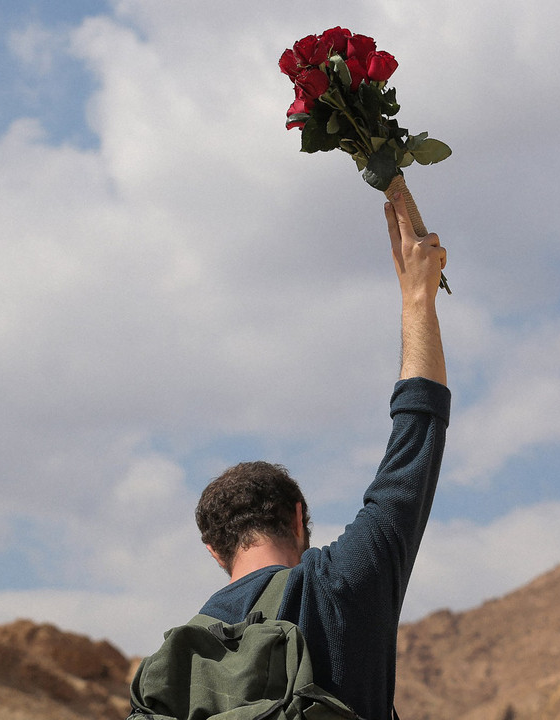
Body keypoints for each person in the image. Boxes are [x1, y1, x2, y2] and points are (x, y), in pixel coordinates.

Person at [191, 192, 450, 720]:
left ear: (215, 551)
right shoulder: (342, 583)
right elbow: (415, 439)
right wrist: (416, 296)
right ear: (298, 518)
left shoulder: (181, 662)